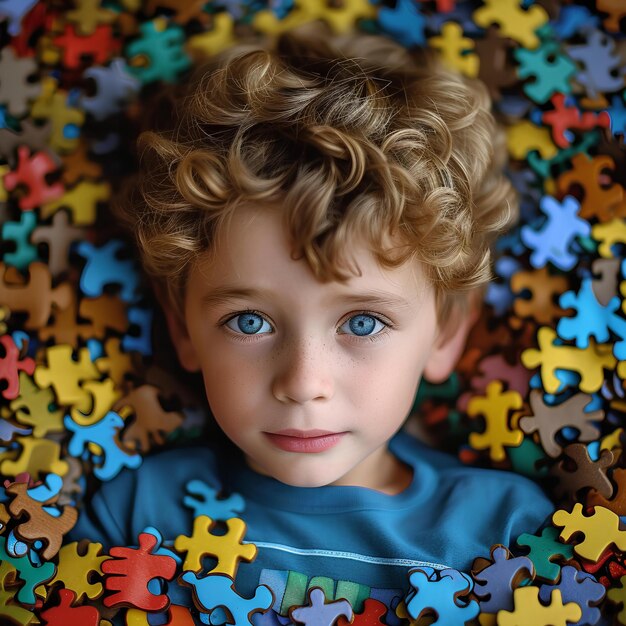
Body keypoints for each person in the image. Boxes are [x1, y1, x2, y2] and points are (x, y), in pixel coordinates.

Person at [70, 22, 554, 616]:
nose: (302, 383)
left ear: (446, 333)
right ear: (182, 328)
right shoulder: (136, 516)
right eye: (248, 322)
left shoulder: (505, 535)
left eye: (363, 323)